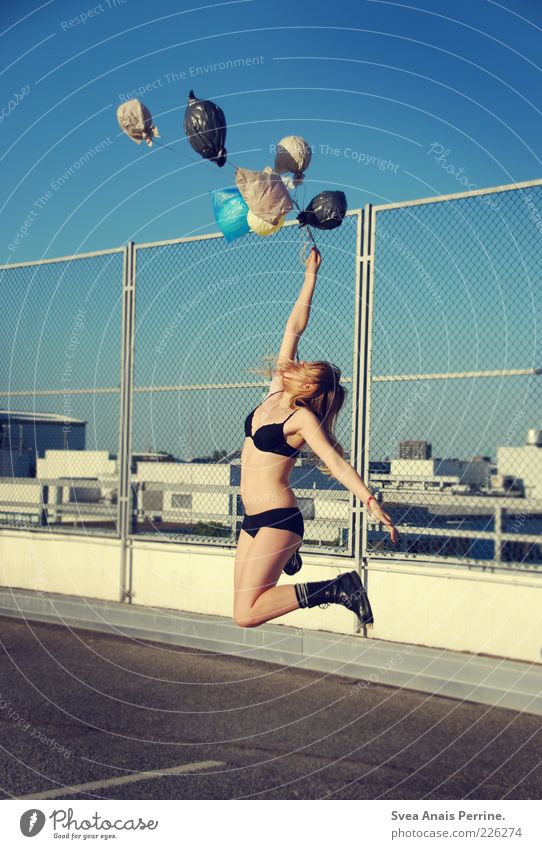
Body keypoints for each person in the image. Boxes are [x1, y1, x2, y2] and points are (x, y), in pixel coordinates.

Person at [235, 247, 399, 629]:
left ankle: (338, 587)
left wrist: (370, 500)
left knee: (246, 616)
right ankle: (289, 557)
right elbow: (294, 326)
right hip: (252, 519)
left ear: (308, 384)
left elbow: (336, 462)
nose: (295, 362)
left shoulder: (301, 418)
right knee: (242, 610)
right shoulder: (276, 391)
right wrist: (311, 275)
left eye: (304, 367)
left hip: (279, 517)